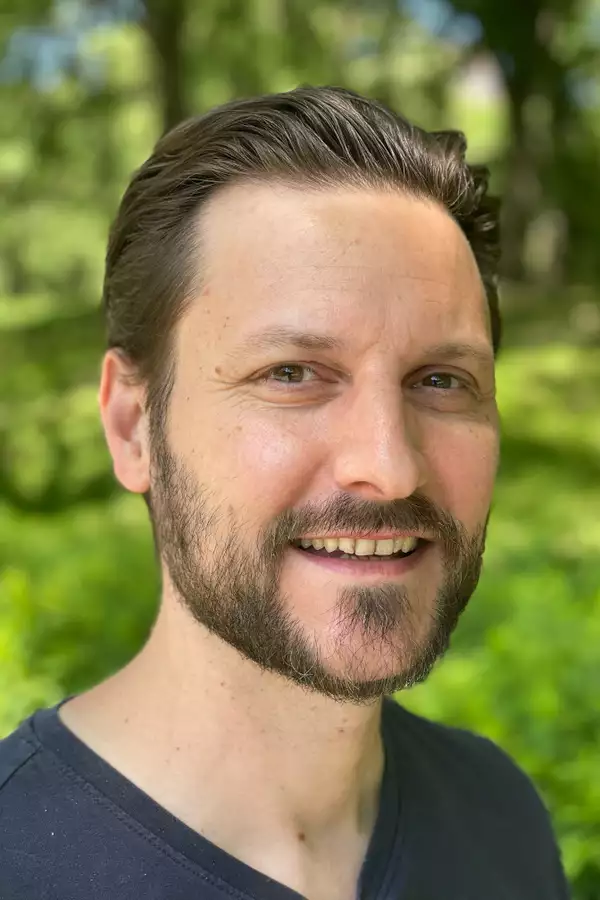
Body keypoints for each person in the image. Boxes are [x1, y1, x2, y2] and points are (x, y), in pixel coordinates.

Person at [0, 86, 570, 900]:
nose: (390, 465)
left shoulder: (499, 816)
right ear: (133, 427)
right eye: (293, 374)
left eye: (441, 380)